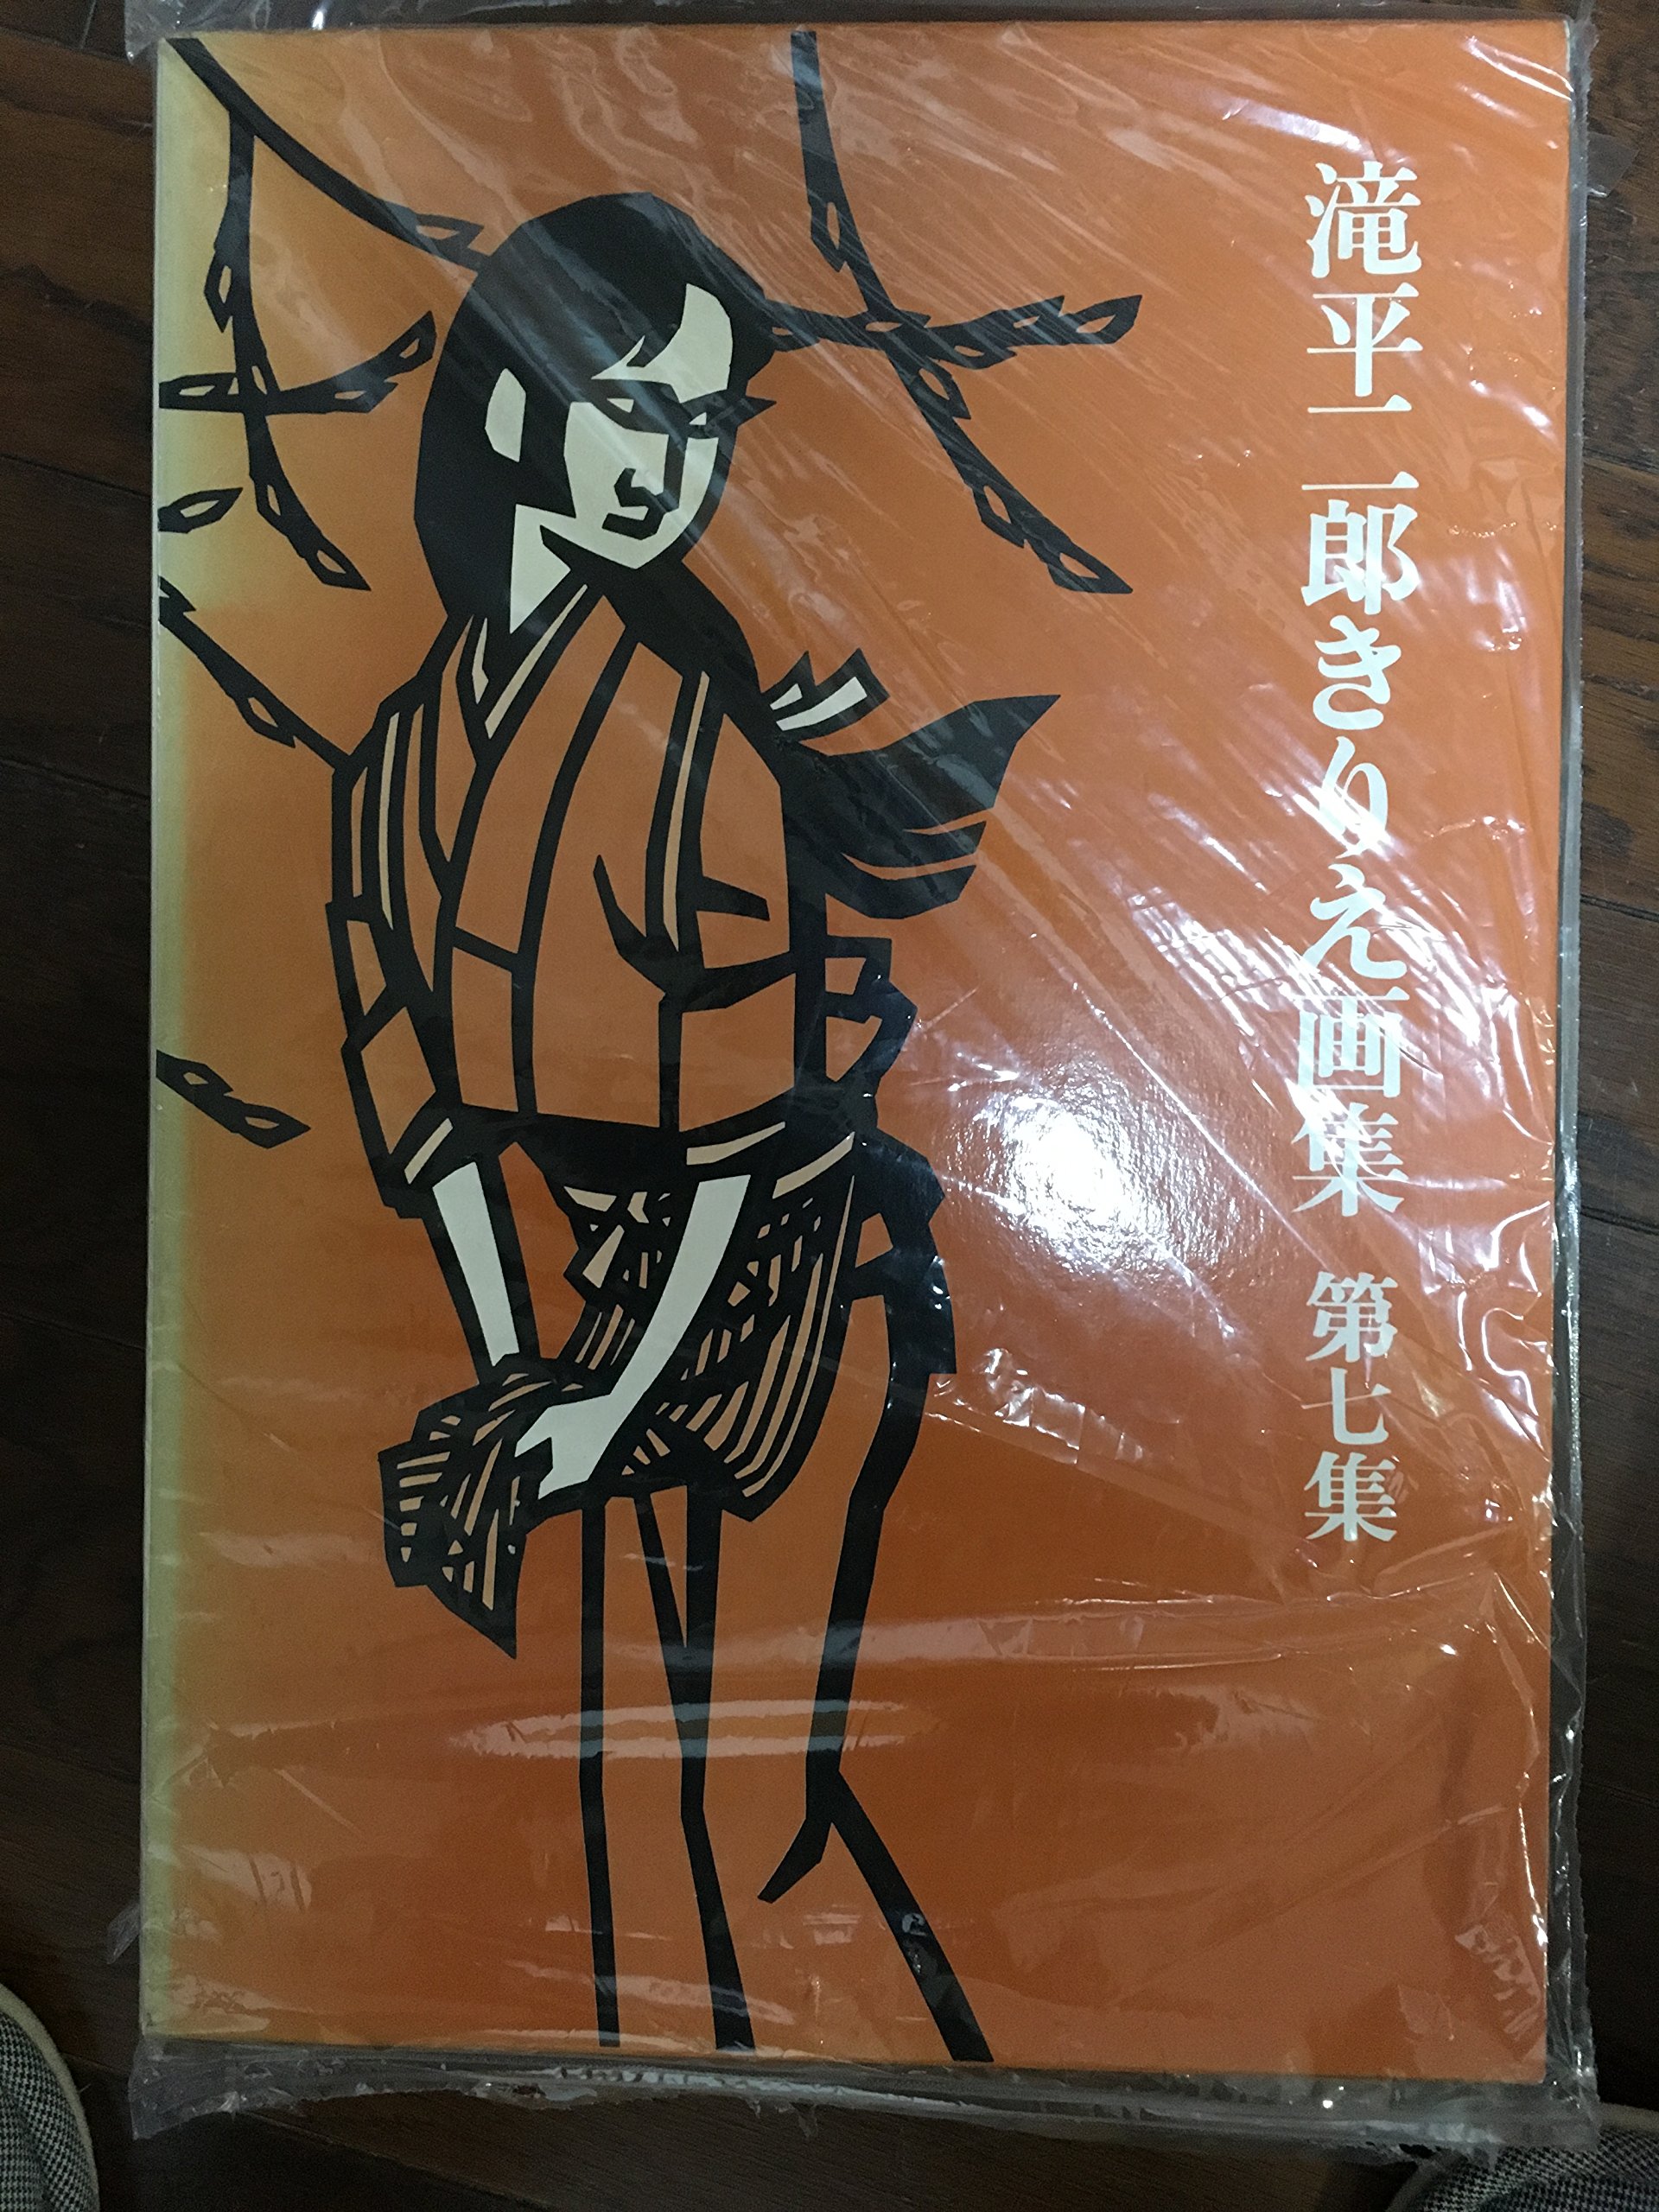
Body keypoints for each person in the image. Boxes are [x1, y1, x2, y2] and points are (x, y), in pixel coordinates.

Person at [330, 190, 1046, 2055]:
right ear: (512, 404)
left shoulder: (690, 725)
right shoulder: (393, 769)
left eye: (703, 423)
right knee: (628, 1794)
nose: (671, 465)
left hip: (787, 1290)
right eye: (632, 405)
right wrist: (525, 1380)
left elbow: (745, 1134)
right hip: (613, 1315)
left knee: (749, 1812)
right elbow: (436, 1128)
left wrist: (608, 1396)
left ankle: (920, 2112)